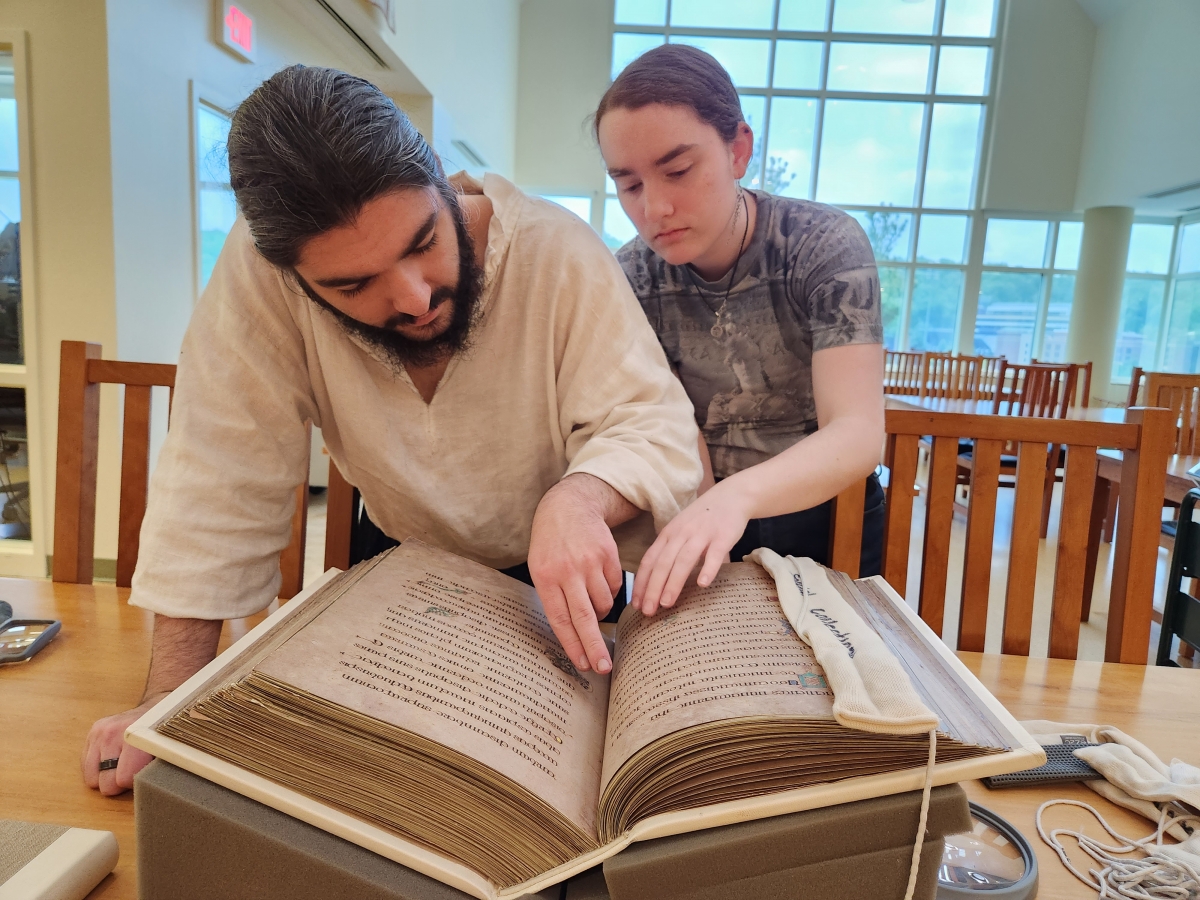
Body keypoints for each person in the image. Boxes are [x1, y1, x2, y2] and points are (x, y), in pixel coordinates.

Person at [81, 65, 701, 796]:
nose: (412, 298)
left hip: (559, 584)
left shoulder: (556, 251)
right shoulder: (260, 272)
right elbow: (217, 477)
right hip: (402, 578)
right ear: (293, 273)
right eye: (352, 286)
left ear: (438, 174)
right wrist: (165, 701)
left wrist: (582, 498)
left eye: (422, 241)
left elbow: (652, 425)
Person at [594, 45, 886, 615]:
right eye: (628, 185)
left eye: (678, 171)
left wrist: (733, 499)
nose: (654, 209)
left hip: (827, 507)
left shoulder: (823, 245)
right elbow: (673, 425)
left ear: (738, 151)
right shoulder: (631, 276)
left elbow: (857, 432)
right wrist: (709, 509)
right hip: (696, 506)